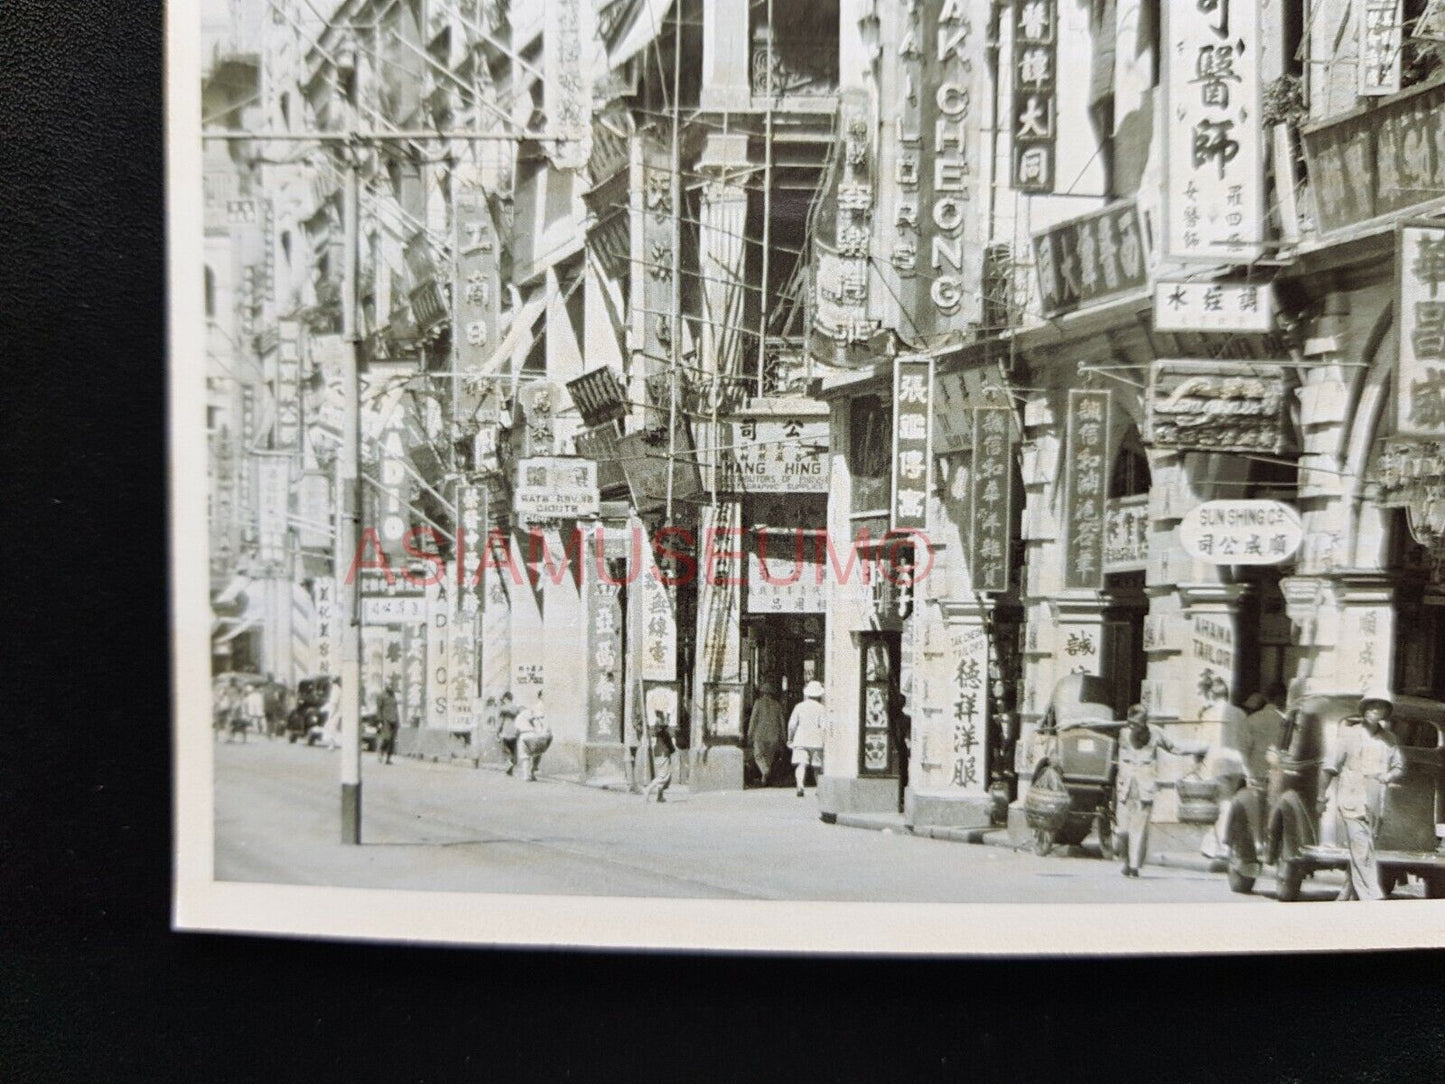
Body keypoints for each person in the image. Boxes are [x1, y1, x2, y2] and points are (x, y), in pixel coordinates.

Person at [1319, 688, 1405, 901]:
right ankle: (1372, 899)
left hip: (1377, 802)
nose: (1375, 710)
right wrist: (1321, 796)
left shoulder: (1389, 738)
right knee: (1362, 848)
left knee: (1364, 849)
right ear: (1364, 709)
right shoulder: (1349, 735)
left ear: (1386, 712)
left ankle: (1345, 898)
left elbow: (1398, 767)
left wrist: (1388, 776)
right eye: (1371, 705)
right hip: (1352, 799)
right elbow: (1330, 766)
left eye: (1380, 706)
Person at [1115, 705, 1208, 877]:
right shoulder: (1123, 734)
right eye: (1131, 724)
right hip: (1125, 787)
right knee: (1123, 830)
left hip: (1144, 787)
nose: (1133, 728)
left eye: (1137, 724)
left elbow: (1174, 747)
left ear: (1144, 724)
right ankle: (1127, 860)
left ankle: (1133, 865)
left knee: (1139, 828)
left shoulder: (1155, 734)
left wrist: (1199, 748)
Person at [1200, 677, 1247, 860]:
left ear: (1212, 694)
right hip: (1236, 764)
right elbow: (1245, 740)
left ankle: (1222, 845)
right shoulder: (1240, 714)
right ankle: (1210, 844)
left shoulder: (1209, 714)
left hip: (1216, 764)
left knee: (1222, 806)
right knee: (1224, 805)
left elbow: (1202, 742)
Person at [787, 680, 828, 798]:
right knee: (817, 767)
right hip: (816, 740)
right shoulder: (822, 708)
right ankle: (818, 788)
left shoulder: (799, 707)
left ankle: (800, 785)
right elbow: (824, 726)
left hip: (801, 739)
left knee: (801, 764)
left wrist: (790, 738)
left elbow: (792, 725)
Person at [747, 682, 785, 786]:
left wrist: (749, 733)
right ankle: (766, 775)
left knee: (758, 755)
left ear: (762, 692)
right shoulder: (777, 705)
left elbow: (753, 720)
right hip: (773, 735)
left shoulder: (758, 703)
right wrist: (783, 736)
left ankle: (765, 772)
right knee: (769, 757)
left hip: (759, 735)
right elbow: (782, 722)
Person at [516, 689, 552, 782]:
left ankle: (526, 775)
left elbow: (517, 730)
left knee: (525, 757)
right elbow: (539, 722)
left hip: (525, 735)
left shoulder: (520, 717)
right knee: (537, 753)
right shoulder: (534, 711)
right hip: (535, 734)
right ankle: (532, 772)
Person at [643, 709, 676, 803]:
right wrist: (673, 750)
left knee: (662, 774)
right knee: (663, 776)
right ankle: (648, 789)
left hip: (658, 753)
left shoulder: (658, 730)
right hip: (663, 753)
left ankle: (660, 796)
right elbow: (669, 744)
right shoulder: (663, 731)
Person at [888, 689, 912, 815]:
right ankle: (901, 799)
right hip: (901, 748)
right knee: (903, 774)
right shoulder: (907, 719)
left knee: (899, 773)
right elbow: (908, 738)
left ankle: (898, 800)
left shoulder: (889, 720)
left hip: (893, 748)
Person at [495, 691, 521, 775]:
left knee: (505, 749)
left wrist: (498, 731)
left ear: (506, 698)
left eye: (504, 699)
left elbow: (501, 721)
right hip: (514, 732)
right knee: (513, 750)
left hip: (506, 730)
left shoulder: (503, 708)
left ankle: (509, 763)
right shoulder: (516, 708)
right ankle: (510, 770)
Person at [376, 683, 399, 765]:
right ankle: (381, 752)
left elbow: (395, 709)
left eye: (390, 684)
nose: (389, 686)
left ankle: (388, 758)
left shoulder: (393, 695)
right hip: (386, 720)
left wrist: (397, 721)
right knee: (387, 738)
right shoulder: (381, 696)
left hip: (394, 720)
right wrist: (379, 721)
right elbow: (378, 709)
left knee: (392, 741)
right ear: (385, 686)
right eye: (388, 685)